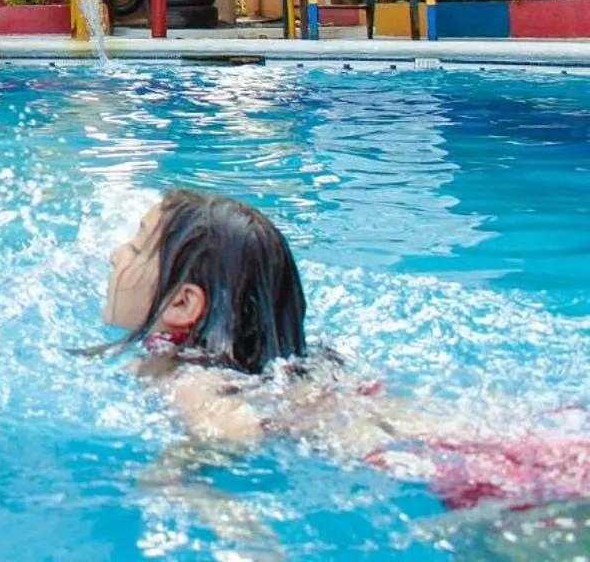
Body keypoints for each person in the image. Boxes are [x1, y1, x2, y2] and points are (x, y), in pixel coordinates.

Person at [103, 188, 590, 511]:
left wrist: (174, 474)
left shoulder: (191, 376)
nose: (115, 254)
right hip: (495, 441)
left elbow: (233, 432)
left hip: (464, 475)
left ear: (185, 303)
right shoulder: (296, 366)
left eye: (135, 245)